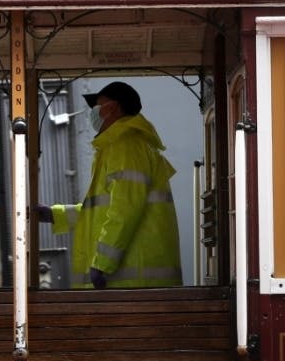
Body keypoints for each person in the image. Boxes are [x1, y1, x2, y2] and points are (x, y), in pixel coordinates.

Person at [38, 81, 181, 289]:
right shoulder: (123, 146)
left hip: (132, 284)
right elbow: (104, 210)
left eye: (97, 105)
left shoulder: (126, 145)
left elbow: (125, 209)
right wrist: (55, 215)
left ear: (113, 108)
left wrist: (103, 263)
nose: (92, 112)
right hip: (135, 283)